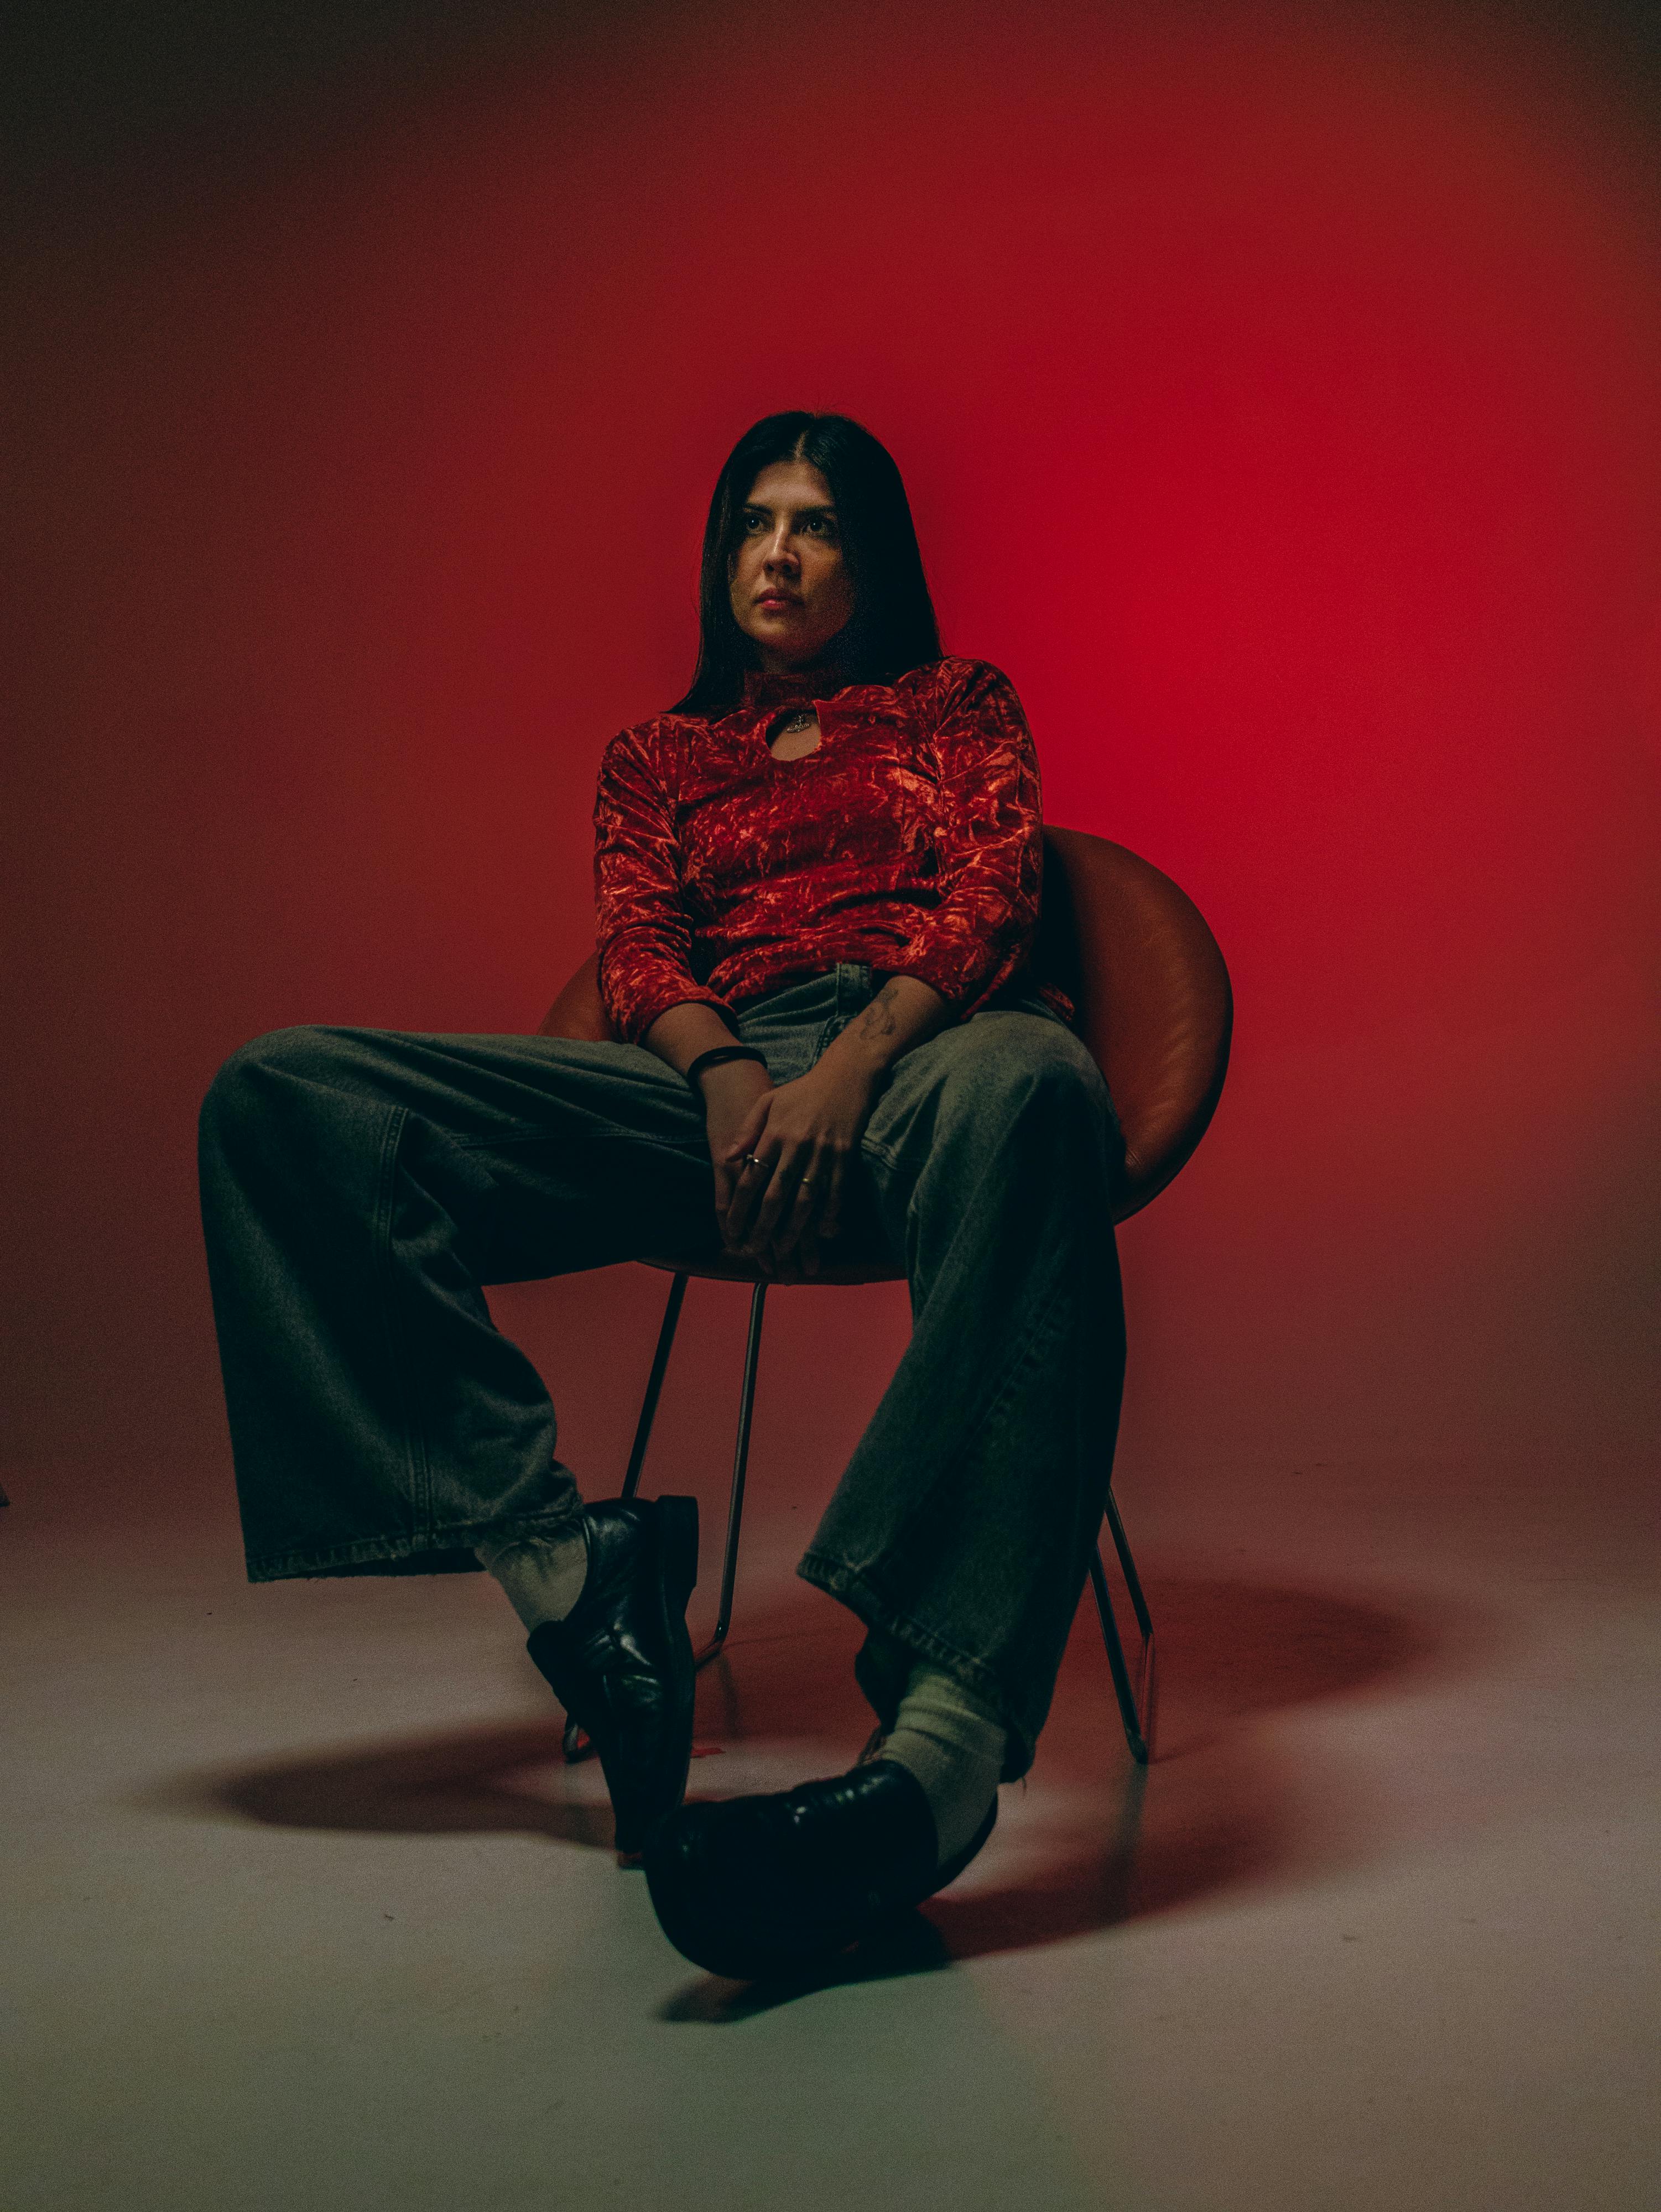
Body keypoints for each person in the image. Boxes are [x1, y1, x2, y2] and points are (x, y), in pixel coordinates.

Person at [198, 410, 1127, 1980]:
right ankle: (572, 1571)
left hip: (934, 1052)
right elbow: (640, 951)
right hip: (714, 1081)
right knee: (286, 1099)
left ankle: (939, 1753)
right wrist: (733, 1085)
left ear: (872, 556)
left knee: (1043, 1090)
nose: (776, 551)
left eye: (817, 524)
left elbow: (994, 887)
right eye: (752, 522)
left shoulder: (956, 702)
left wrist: (852, 1071)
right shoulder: (659, 757)